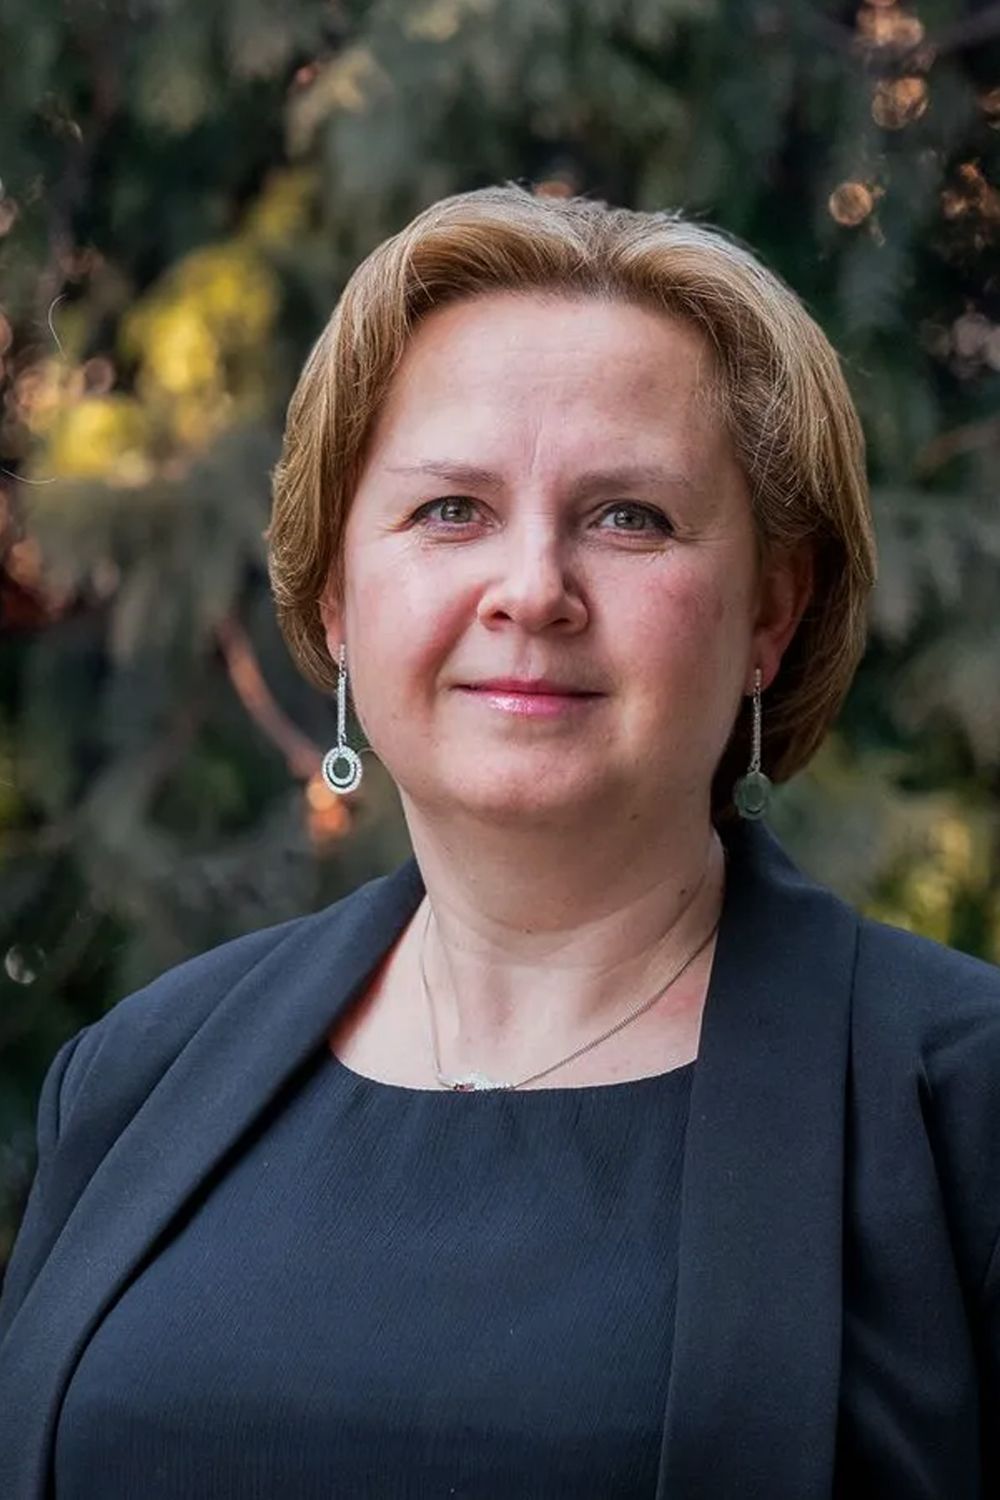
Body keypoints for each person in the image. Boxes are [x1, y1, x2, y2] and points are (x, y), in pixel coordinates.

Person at [1, 183, 998, 1500]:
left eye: (628, 516)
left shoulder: (963, 1108)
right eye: (451, 510)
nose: (531, 589)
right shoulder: (137, 1079)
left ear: (770, 610)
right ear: (341, 595)